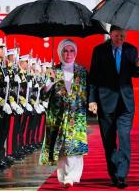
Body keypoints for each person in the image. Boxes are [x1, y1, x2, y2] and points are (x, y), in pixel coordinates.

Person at [88, 25, 139, 189]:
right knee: (109, 141)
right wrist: (92, 100)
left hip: (126, 102)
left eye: (123, 36)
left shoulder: (131, 50)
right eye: (118, 36)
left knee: (125, 137)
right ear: (111, 35)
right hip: (106, 102)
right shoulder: (99, 51)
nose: (121, 39)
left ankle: (122, 175)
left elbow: (133, 74)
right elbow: (93, 77)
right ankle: (114, 173)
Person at [40, 39, 88, 187]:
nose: (68, 54)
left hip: (76, 115)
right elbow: (43, 96)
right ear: (60, 53)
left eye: (71, 50)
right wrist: (48, 85)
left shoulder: (82, 71)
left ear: (75, 52)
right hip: (57, 115)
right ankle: (63, 176)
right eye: (65, 51)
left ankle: (72, 176)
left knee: (74, 146)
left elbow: (86, 92)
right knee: (60, 147)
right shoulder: (53, 70)